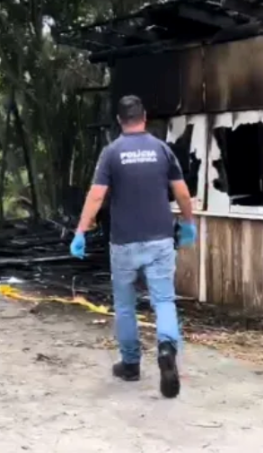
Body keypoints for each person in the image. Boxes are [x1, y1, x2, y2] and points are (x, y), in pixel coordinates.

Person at [70, 95, 196, 399]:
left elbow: (97, 196)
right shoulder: (162, 150)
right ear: (145, 116)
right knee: (163, 300)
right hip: (160, 240)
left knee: (125, 306)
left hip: (124, 243)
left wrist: (80, 231)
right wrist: (189, 223)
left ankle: (130, 365)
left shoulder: (111, 153)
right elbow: (181, 191)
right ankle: (166, 348)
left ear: (119, 121)